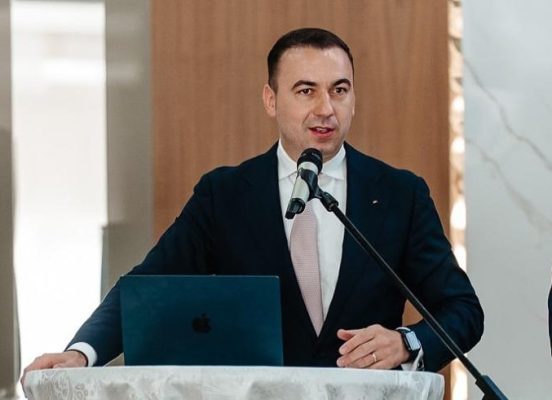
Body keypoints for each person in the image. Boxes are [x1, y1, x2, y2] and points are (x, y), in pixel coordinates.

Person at [22, 28, 483, 381]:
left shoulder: (400, 193)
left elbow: (462, 309)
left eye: (339, 90)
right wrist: (83, 352)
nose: (326, 108)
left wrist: (406, 343)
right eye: (306, 91)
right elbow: (146, 289)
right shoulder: (224, 195)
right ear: (270, 99)